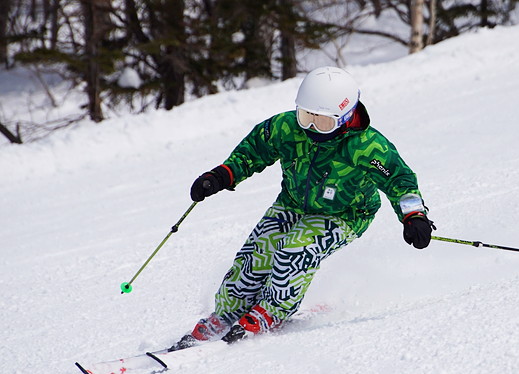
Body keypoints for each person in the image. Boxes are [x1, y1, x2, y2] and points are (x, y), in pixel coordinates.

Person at [170, 66, 434, 351]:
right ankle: (227, 312)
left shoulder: (367, 146)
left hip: (344, 214)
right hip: (292, 203)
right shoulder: (287, 128)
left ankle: (272, 311)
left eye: (322, 123)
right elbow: (253, 150)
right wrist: (222, 175)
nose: (310, 127)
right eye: (306, 116)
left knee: (295, 249)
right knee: (259, 250)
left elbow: (400, 180)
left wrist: (413, 215)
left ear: (345, 117)